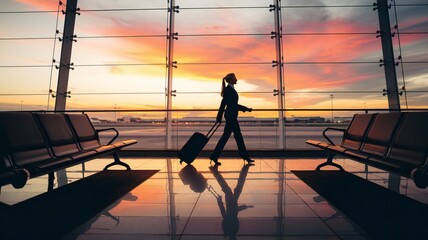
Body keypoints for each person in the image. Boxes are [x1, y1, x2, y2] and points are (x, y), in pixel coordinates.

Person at [210, 73, 254, 165]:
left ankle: (214, 156)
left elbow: (228, 104)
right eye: (235, 78)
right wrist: (245, 109)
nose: (236, 80)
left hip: (231, 116)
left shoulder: (229, 89)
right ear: (231, 80)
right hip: (231, 117)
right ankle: (245, 156)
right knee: (237, 136)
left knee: (227, 137)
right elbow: (227, 104)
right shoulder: (228, 90)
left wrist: (219, 116)